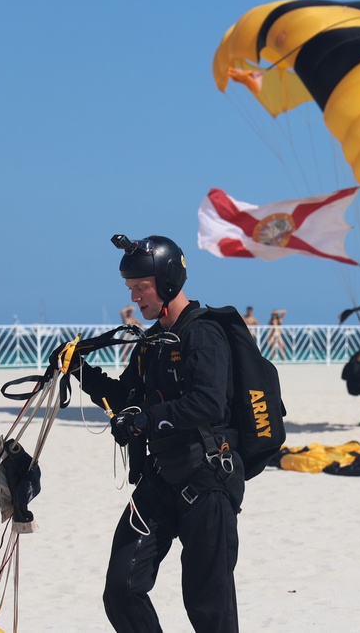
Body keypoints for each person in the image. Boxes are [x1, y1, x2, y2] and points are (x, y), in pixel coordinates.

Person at [68, 234, 244, 632]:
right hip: (161, 480)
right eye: (130, 289)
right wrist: (79, 370)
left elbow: (208, 403)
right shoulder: (150, 344)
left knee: (208, 606)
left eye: (141, 288)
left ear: (166, 282)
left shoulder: (203, 335)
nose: (136, 297)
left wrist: (148, 420)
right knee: (121, 588)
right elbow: (125, 396)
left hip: (207, 482)